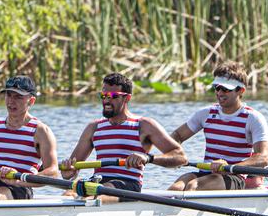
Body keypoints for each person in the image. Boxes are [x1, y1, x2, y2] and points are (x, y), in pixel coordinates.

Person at [60, 73, 186, 203]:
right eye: (103, 95)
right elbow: (72, 169)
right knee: (69, 193)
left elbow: (180, 157)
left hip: (128, 185)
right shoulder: (94, 127)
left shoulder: (144, 125)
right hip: (98, 181)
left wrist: (148, 158)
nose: (107, 100)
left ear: (127, 98)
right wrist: (68, 173)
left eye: (113, 96)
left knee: (98, 192)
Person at [168, 61, 268, 191]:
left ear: (241, 90)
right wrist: (174, 153)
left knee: (194, 186)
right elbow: (177, 135)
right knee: (176, 188)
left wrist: (229, 166)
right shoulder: (206, 114)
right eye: (217, 87)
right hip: (206, 172)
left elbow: (263, 157)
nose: (220, 93)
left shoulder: (253, 118)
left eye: (225, 89)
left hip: (235, 176)